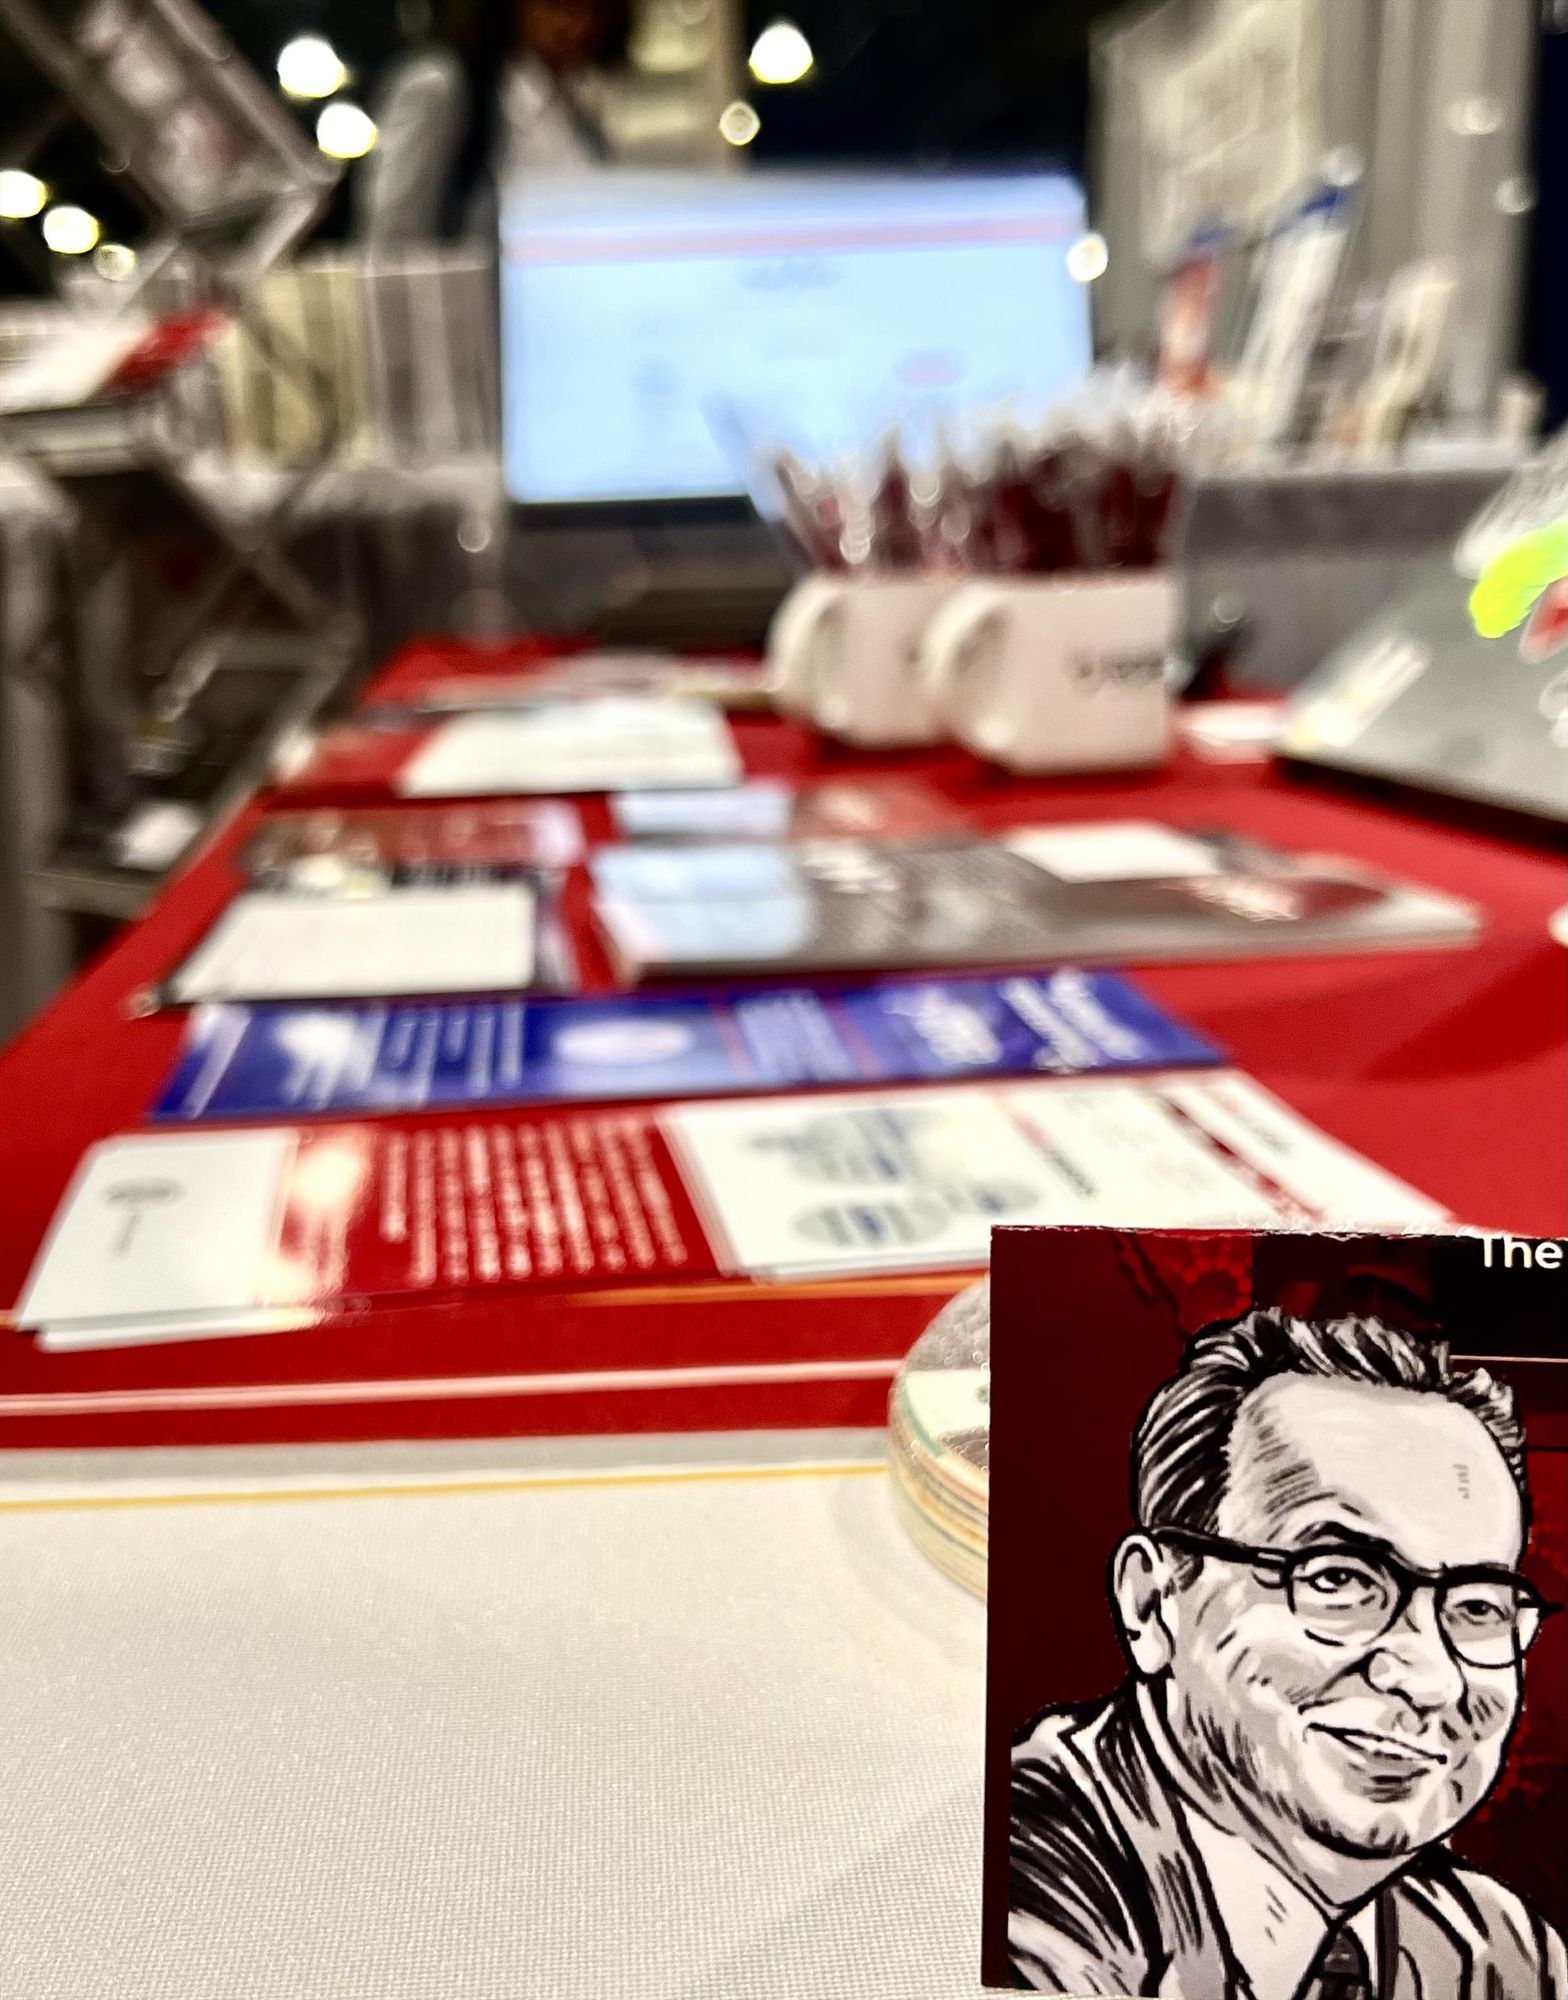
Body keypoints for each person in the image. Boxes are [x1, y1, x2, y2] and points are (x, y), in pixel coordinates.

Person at [1008, 1308, 1565, 1998]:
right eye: (1339, 1579)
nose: (1431, 1679)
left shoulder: (1499, 1952)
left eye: (1478, 1606)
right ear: (1154, 1603)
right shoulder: (1024, 1880)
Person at [355, 0, 631, 247]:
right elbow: (391, 240)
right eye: (556, 4)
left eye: (593, 8)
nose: (576, 23)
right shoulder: (445, 87)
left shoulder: (583, 107)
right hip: (468, 299)